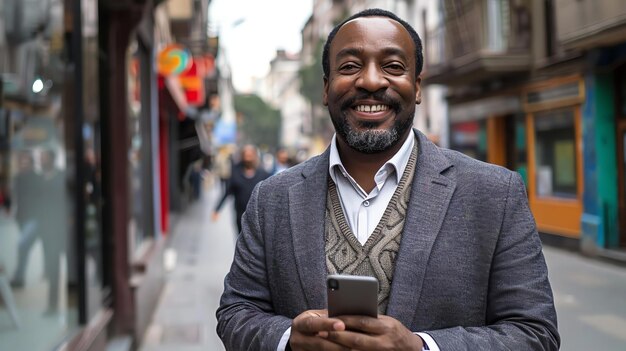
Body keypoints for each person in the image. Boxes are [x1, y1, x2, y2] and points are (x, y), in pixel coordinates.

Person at [216, 8, 559, 351]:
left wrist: (422, 347)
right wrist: (289, 338)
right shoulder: (272, 199)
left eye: (393, 67)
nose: (370, 81)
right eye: (350, 66)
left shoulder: (494, 195)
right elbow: (235, 313)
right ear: (325, 88)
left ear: (417, 86)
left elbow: (535, 333)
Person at [212, 144, 270, 234]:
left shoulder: (263, 174)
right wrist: (217, 209)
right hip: (240, 215)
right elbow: (227, 192)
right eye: (246, 156)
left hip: (258, 217)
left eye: (250, 156)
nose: (248, 159)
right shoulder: (235, 174)